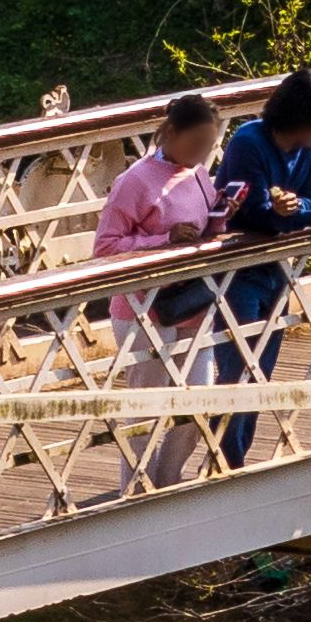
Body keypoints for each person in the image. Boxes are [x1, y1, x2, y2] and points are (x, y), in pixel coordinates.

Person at [204, 71, 311, 447]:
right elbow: (253, 213)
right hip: (239, 267)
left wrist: (296, 206)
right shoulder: (249, 142)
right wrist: (301, 215)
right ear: (302, 117)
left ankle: (238, 453)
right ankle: (226, 457)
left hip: (278, 265)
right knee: (236, 367)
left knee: (261, 369)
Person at [92, 92, 225, 448]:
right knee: (146, 411)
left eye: (209, 145)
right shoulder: (134, 181)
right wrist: (162, 240)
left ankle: (169, 480)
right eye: (196, 143)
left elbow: (205, 221)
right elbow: (105, 247)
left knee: (201, 403)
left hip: (192, 300)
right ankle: (137, 490)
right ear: (169, 132)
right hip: (143, 307)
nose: (202, 153)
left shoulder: (198, 173)